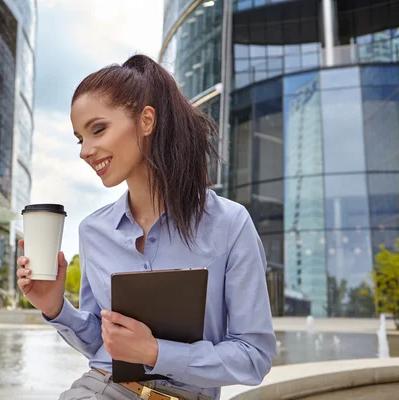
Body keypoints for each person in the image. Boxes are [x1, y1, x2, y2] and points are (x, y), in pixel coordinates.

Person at [17, 54, 276, 400]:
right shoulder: (94, 230)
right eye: (80, 139)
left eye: (98, 129)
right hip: (100, 389)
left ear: (146, 120)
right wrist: (55, 307)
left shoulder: (229, 224)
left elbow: (254, 357)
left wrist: (156, 352)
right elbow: (102, 343)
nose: (85, 151)